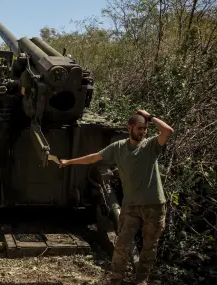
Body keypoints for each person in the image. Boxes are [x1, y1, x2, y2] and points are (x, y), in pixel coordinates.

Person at [59, 110, 174, 285]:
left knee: (149, 247)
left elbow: (168, 131)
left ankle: (141, 280)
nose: (143, 132)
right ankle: (116, 279)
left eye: (145, 129)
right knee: (121, 244)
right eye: (140, 128)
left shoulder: (151, 145)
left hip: (154, 205)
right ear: (130, 128)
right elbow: (94, 158)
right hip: (131, 206)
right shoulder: (118, 147)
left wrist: (150, 117)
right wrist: (69, 162)